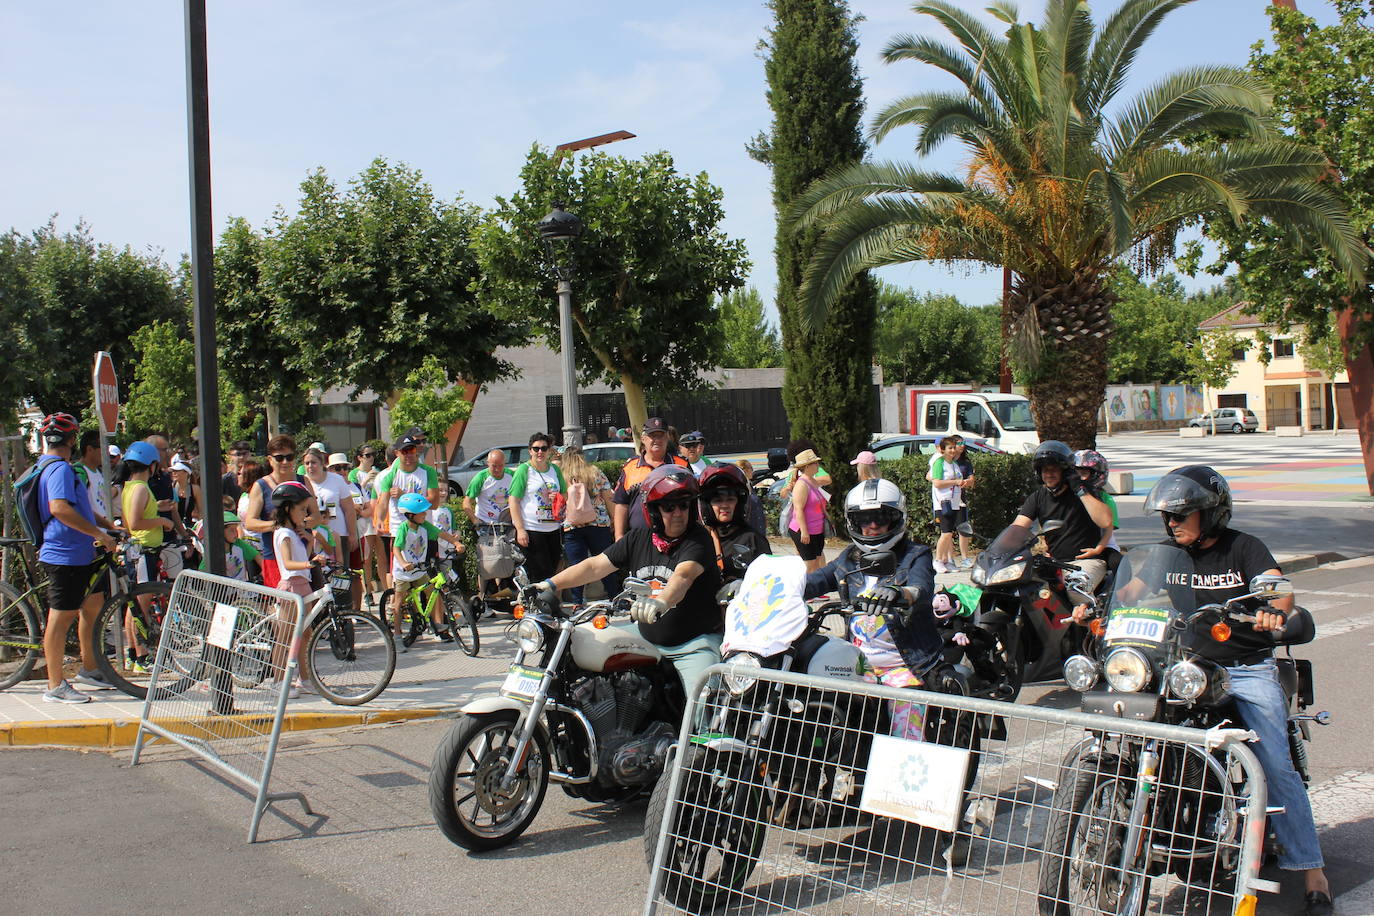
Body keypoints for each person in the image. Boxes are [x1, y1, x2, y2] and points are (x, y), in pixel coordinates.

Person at [1074, 466, 1332, 915]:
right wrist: (1097, 608)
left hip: (1245, 666)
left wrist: (1273, 612)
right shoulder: (1170, 554)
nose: (1172, 524)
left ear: (1211, 513)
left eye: (1182, 515)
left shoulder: (1244, 547)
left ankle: (1311, 870)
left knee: (1273, 762)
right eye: (1168, 517)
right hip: (1187, 665)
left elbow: (1278, 591)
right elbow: (1133, 590)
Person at [535, 468, 723, 694]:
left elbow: (683, 576)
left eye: (684, 505)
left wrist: (661, 601)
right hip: (644, 638)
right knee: (585, 661)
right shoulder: (638, 538)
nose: (678, 513)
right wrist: (549, 584)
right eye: (669, 506)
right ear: (653, 510)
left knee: (701, 705)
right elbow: (594, 566)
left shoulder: (698, 539)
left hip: (693, 646)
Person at [802, 479, 940, 740]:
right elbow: (814, 581)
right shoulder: (848, 559)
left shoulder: (915, 555)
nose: (873, 525)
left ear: (896, 519)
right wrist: (766, 586)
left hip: (904, 666)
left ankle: (903, 775)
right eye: (865, 519)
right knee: (822, 719)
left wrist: (901, 593)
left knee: (905, 733)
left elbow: (921, 587)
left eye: (880, 517)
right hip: (855, 664)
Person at [33, 413, 118, 703]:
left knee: (92, 607)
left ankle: (90, 668)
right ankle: (55, 686)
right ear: (72, 440)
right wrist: (100, 534)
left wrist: (108, 527)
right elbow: (59, 508)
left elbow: (77, 506)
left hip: (80, 552)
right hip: (65, 554)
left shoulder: (58, 468)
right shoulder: (59, 470)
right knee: (60, 618)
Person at [1010, 440, 1114, 603]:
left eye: (1053, 469)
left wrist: (1080, 491)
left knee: (1076, 588)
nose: (1048, 474)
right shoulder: (1037, 497)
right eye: (1045, 470)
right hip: (1054, 563)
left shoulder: (1085, 492)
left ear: (1065, 472)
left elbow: (1106, 522)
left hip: (1085, 562)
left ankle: (1090, 626)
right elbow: (1017, 527)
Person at [270, 480, 328, 698]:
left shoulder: (294, 533)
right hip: (291, 585)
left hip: (303, 585)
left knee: (306, 635)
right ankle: (277, 681)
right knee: (285, 636)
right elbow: (287, 563)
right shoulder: (283, 533)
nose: (305, 514)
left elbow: (303, 557)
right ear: (287, 508)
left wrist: (310, 544)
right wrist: (309, 563)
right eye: (302, 509)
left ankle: (304, 679)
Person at [389, 491, 465, 648]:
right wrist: (403, 563)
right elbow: (396, 549)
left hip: (420, 569)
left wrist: (456, 543)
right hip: (404, 572)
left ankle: (435, 624)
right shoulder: (404, 529)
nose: (425, 514)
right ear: (410, 515)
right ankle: (397, 635)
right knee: (398, 602)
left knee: (432, 592)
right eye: (421, 512)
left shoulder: (425, 526)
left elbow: (441, 534)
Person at [243, 434, 316, 589]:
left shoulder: (303, 481)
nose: (285, 462)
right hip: (276, 558)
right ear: (270, 459)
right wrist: (280, 525)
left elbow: (317, 516)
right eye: (279, 458)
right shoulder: (261, 485)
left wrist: (301, 523)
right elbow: (250, 522)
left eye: (289, 457)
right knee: (284, 608)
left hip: (304, 553)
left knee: (314, 607)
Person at [373, 430, 441, 587]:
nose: (409, 455)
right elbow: (383, 502)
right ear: (397, 453)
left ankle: (431, 611)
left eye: (412, 450)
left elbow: (435, 502)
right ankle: (396, 608)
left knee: (429, 581)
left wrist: (406, 495)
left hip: (425, 530)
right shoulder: (390, 475)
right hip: (400, 532)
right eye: (404, 451)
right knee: (401, 581)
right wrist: (380, 520)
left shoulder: (427, 472)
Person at [558, 444, 619, 606]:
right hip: (598, 524)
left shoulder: (562, 476)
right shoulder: (595, 472)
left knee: (576, 566)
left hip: (572, 525)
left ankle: (578, 601)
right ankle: (614, 597)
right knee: (605, 563)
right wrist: (614, 519)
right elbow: (608, 497)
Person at [611, 417, 690, 540]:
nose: (657, 440)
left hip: (676, 539)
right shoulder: (630, 467)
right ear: (643, 439)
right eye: (652, 436)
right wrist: (619, 536)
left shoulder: (681, 465)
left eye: (661, 435)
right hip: (638, 540)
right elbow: (621, 503)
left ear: (667, 438)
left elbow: (692, 500)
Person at [507, 432, 567, 584]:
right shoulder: (524, 470)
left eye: (544, 448)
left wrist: (558, 497)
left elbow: (565, 494)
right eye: (536, 448)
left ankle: (549, 604)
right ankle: (540, 605)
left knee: (553, 569)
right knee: (540, 571)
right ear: (530, 450)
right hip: (532, 528)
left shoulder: (554, 470)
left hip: (553, 527)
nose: (540, 452)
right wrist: (520, 529)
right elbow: (513, 500)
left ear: (548, 451)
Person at [697, 464, 770, 582]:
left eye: (730, 499)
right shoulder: (699, 540)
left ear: (740, 503)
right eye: (718, 500)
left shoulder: (753, 539)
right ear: (707, 505)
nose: (724, 505)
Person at [463, 448, 515, 603]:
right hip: (486, 524)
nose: (498, 469)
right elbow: (466, 502)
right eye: (494, 466)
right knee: (488, 561)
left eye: (500, 465)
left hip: (506, 523)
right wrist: (475, 520)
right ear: (488, 464)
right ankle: (485, 595)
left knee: (508, 557)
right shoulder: (481, 477)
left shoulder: (511, 475)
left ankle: (507, 591)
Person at [144, 435, 188, 580]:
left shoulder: (165, 476)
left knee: (176, 584)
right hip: (148, 542)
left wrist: (184, 534)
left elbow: (172, 508)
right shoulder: (141, 478)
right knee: (147, 588)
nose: (167, 453)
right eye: (163, 449)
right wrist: (155, 507)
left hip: (169, 539)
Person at [927, 437, 969, 574]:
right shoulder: (939, 463)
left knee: (949, 534)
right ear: (943, 449)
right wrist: (955, 482)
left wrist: (961, 482)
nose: (952, 450)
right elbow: (937, 483)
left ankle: (947, 561)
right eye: (949, 448)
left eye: (953, 447)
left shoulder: (954, 464)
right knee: (945, 533)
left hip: (955, 502)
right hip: (943, 502)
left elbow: (957, 480)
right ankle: (938, 560)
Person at [348, 444, 384, 601]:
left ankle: (388, 591)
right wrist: (365, 482)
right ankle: (367, 591)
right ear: (360, 457)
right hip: (365, 520)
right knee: (367, 558)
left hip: (379, 517)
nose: (371, 457)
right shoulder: (354, 474)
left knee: (382, 557)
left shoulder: (378, 472)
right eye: (367, 455)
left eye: (372, 454)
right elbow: (352, 493)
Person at [786, 448, 828, 573]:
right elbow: (798, 509)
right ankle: (807, 590)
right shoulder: (801, 484)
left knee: (817, 563)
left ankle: (816, 590)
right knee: (809, 565)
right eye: (815, 463)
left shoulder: (813, 481)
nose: (818, 465)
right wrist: (804, 532)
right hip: (804, 530)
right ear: (807, 466)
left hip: (817, 529)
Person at [199, 510, 261, 582]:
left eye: (236, 529)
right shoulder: (213, 551)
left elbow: (258, 558)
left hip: (242, 589)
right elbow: (201, 572)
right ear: (220, 531)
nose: (236, 533)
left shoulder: (240, 544)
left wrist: (261, 575)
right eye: (232, 530)